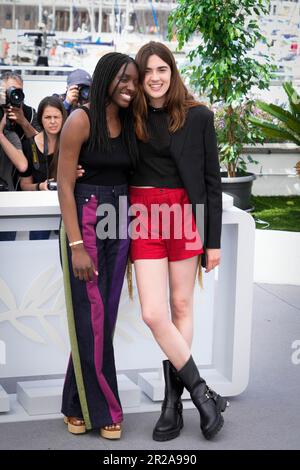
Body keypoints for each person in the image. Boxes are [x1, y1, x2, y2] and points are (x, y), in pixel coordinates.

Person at [130, 41, 228, 441]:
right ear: (139, 77)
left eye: (162, 70)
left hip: (185, 215)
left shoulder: (198, 116)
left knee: (182, 304)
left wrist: (213, 241)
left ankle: (173, 403)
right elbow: (97, 142)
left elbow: (212, 180)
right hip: (141, 216)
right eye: (148, 71)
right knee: (154, 312)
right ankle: (203, 393)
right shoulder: (126, 115)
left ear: (172, 72)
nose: (155, 78)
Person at [57, 52, 138, 439]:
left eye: (135, 81)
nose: (131, 86)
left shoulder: (129, 120)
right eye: (125, 78)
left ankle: (74, 403)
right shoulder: (80, 119)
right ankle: (106, 409)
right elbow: (65, 185)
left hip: (119, 221)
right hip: (86, 221)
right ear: (106, 76)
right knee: (92, 317)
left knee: (102, 319)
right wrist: (75, 245)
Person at [19, 95, 67, 239]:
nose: (52, 122)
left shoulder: (71, 142)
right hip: (40, 209)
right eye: (47, 117)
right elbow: (24, 184)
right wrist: (40, 186)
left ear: (63, 118)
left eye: (56, 117)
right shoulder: (30, 145)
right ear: (40, 119)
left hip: (66, 207)